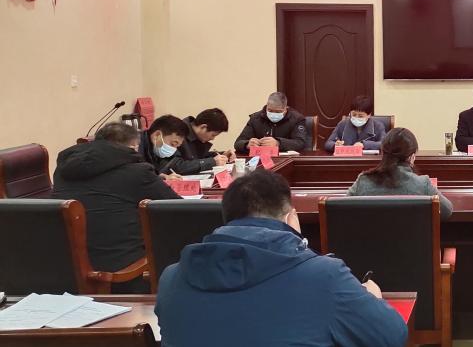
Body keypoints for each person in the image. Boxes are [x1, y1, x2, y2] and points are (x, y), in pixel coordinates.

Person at [156, 171, 408, 347]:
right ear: (291, 217)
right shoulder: (324, 276)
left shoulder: (171, 278)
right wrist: (373, 298)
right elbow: (390, 337)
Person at [53, 122, 181, 292]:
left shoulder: (63, 170)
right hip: (122, 267)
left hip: (68, 265)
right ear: (131, 147)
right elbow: (176, 208)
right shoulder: (138, 172)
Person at [349, 128, 453, 220]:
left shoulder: (363, 181)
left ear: (383, 153)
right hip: (411, 237)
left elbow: (343, 211)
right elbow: (447, 211)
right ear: (411, 157)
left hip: (371, 237)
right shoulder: (423, 184)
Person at [162, 108, 233, 175]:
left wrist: (221, 155)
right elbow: (176, 166)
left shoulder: (196, 136)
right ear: (203, 127)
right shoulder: (178, 133)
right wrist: (212, 162)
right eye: (213, 135)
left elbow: (197, 158)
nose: (213, 139)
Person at [234, 91, 309, 154]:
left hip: (286, 159)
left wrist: (278, 143)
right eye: (270, 110)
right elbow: (238, 143)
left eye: (278, 112)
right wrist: (247, 144)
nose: (273, 114)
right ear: (267, 106)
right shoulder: (255, 118)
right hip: (260, 159)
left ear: (285, 109)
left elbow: (300, 143)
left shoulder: (297, 119)